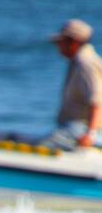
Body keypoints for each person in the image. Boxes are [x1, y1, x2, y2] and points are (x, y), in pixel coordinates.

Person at [42, 19, 102, 149]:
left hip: (80, 129)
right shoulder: (80, 60)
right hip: (75, 128)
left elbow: (97, 101)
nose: (58, 47)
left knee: (43, 147)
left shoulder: (85, 63)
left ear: (73, 42)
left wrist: (90, 135)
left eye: (60, 42)